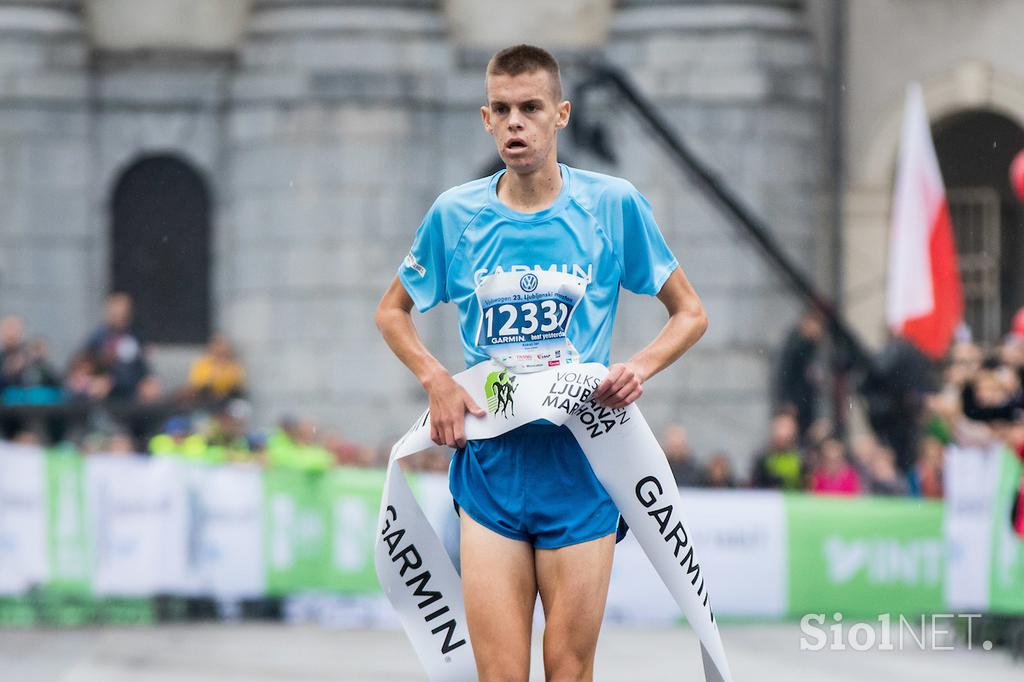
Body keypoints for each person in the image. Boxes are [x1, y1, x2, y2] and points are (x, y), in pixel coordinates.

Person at [374, 44, 708, 682]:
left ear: (562, 115)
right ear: (485, 118)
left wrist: (639, 367)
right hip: (493, 471)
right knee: (499, 674)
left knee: (567, 667)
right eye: (501, 109)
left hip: (581, 468)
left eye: (530, 108)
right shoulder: (456, 215)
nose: (514, 123)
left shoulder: (612, 206)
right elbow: (392, 312)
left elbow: (690, 312)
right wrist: (436, 380)